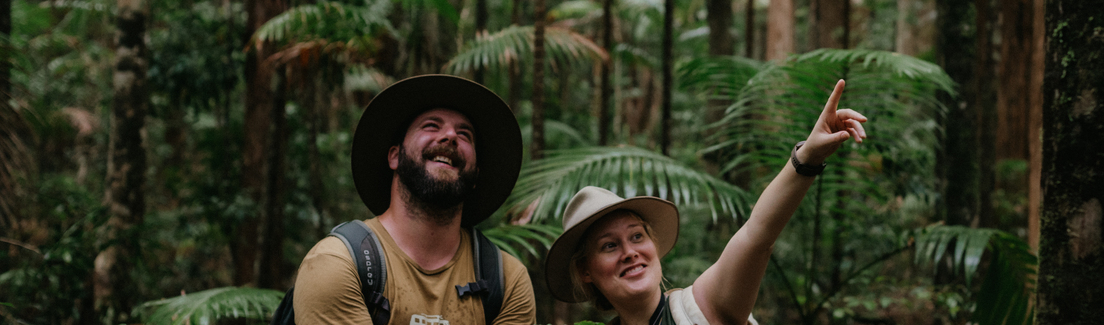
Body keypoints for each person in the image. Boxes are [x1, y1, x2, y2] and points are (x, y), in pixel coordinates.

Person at [544, 80, 866, 325]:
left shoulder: (699, 309)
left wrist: (806, 158)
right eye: (609, 246)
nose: (630, 252)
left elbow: (757, 237)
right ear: (586, 270)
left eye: (637, 236)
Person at [292, 75, 535, 325]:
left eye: (465, 134)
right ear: (395, 157)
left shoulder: (506, 280)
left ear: (475, 177)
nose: (450, 136)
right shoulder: (338, 263)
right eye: (431, 125)